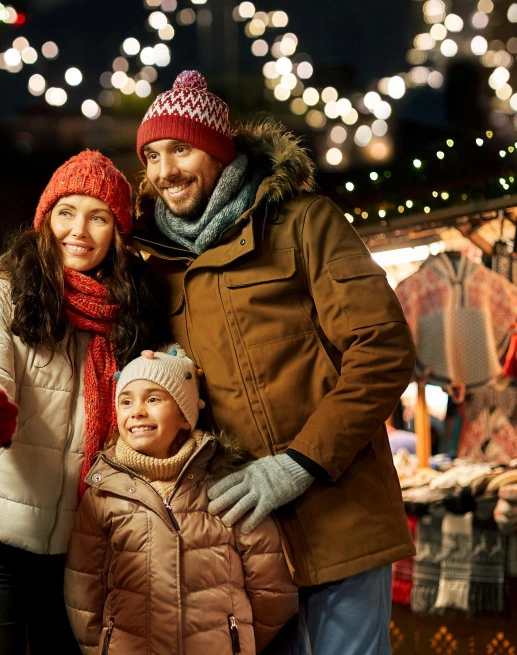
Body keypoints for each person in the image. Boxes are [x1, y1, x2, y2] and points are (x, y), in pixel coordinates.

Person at [133, 70, 416, 654]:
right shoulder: (153, 264)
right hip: (239, 538)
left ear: (218, 150)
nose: (166, 171)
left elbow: (382, 349)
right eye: (153, 155)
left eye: (181, 149)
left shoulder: (304, 222)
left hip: (338, 511)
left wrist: (298, 465)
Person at [0, 150, 165, 655]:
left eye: (98, 217)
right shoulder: (3, 292)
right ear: (45, 220)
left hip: (76, 554)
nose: (79, 230)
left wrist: (162, 378)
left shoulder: (131, 315)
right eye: (66, 212)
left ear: (118, 233)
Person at [64, 345, 297, 654]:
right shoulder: (104, 489)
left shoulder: (224, 481)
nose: (137, 411)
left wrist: (237, 642)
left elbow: (272, 589)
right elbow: (83, 587)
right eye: (126, 401)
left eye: (153, 399)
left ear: (186, 416)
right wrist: (103, 646)